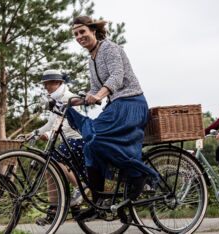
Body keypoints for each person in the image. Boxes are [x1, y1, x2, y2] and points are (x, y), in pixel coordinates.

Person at [68, 16, 159, 221]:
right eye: (75, 34)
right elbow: (94, 89)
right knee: (90, 144)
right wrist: (74, 100)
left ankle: (140, 173)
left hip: (131, 103)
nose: (79, 36)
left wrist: (99, 95)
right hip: (115, 105)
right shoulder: (91, 59)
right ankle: (99, 201)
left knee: (96, 135)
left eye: (82, 31)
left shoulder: (109, 48)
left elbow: (116, 77)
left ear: (93, 30)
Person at [30, 69, 88, 225]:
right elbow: (50, 124)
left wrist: (48, 135)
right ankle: (54, 210)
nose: (46, 87)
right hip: (67, 141)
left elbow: (69, 122)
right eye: (45, 84)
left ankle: (81, 186)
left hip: (78, 140)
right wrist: (33, 133)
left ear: (59, 83)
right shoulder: (55, 100)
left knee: (54, 160)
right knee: (48, 167)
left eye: (49, 83)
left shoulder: (69, 98)